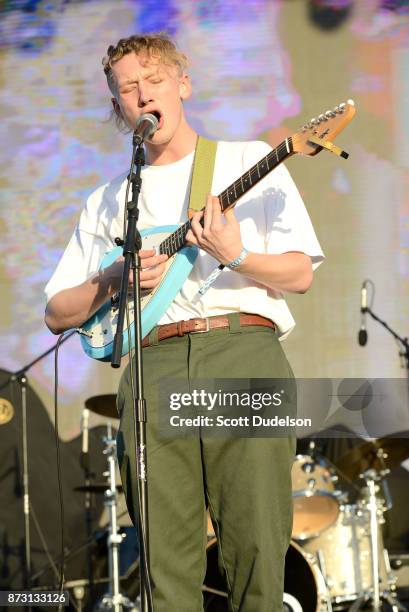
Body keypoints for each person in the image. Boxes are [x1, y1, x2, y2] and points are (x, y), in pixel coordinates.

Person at [45, 33, 324, 612]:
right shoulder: (108, 199)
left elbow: (299, 274)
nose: (143, 94)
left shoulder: (247, 160)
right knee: (166, 563)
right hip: (155, 364)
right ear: (117, 105)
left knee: (254, 550)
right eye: (128, 87)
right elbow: (56, 313)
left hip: (241, 351)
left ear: (183, 85)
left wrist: (237, 255)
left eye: (154, 80)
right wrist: (112, 282)